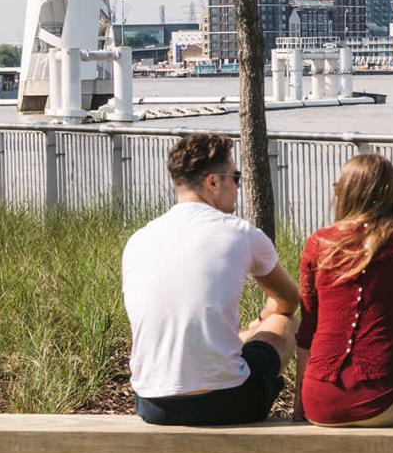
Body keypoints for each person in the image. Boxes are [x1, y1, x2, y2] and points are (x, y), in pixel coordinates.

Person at [122, 133, 300, 425]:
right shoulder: (241, 233)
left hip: (151, 405)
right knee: (285, 323)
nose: (238, 186)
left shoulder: (139, 240)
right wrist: (265, 319)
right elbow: (289, 300)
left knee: (236, 334)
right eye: (235, 176)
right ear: (213, 183)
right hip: (227, 403)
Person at [294, 153, 393, 427]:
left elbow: (308, 328)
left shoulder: (318, 244)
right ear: (392, 193)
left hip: (321, 403)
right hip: (391, 399)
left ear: (344, 192)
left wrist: (298, 405)